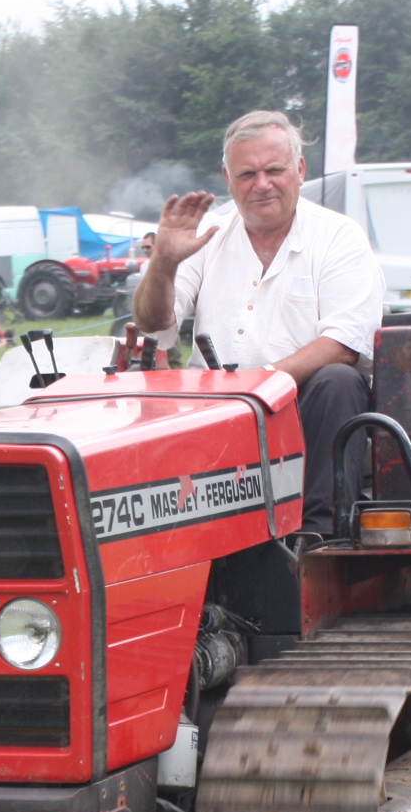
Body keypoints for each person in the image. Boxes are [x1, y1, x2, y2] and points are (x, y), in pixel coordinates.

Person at [132, 108, 384, 539]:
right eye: (247, 173)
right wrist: (164, 264)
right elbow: (155, 325)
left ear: (300, 170)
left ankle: (316, 537)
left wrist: (261, 384)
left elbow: (344, 341)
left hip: (300, 404)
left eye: (274, 170)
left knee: (339, 380)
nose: (261, 184)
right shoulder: (207, 234)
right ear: (227, 178)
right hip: (214, 409)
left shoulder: (339, 237)